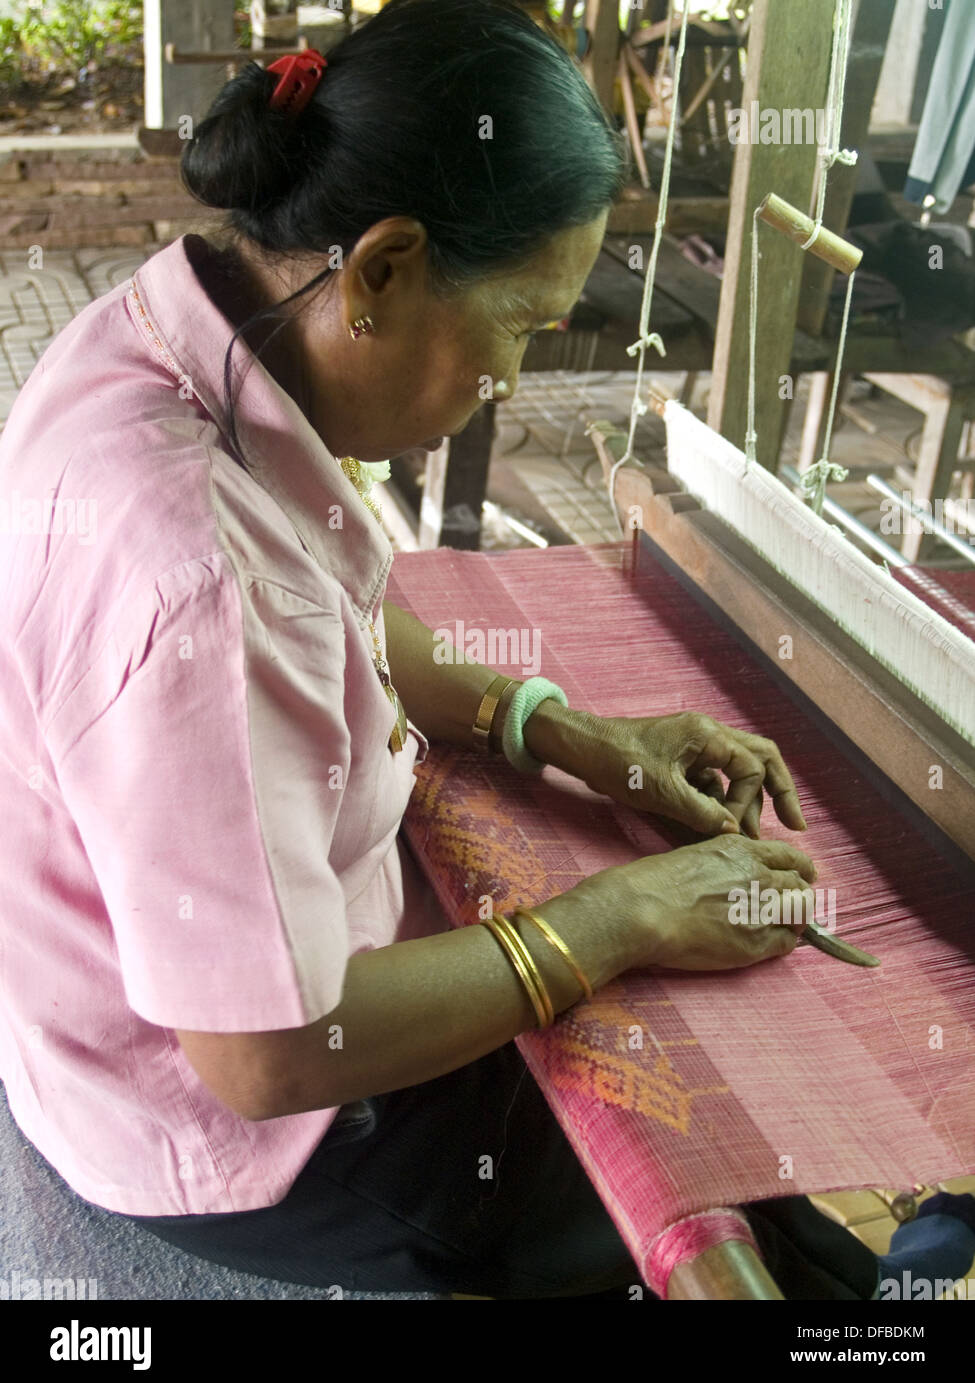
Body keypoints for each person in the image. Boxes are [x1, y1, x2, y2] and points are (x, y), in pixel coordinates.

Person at [0, 0, 955, 1300]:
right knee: (672, 1182)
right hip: (234, 1134)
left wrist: (573, 736)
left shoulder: (175, 345)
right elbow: (269, 1050)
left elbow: (330, 591)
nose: (506, 381)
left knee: (731, 1169)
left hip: (90, 1014)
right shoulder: (194, 575)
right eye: (516, 329)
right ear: (383, 270)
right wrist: (627, 912)